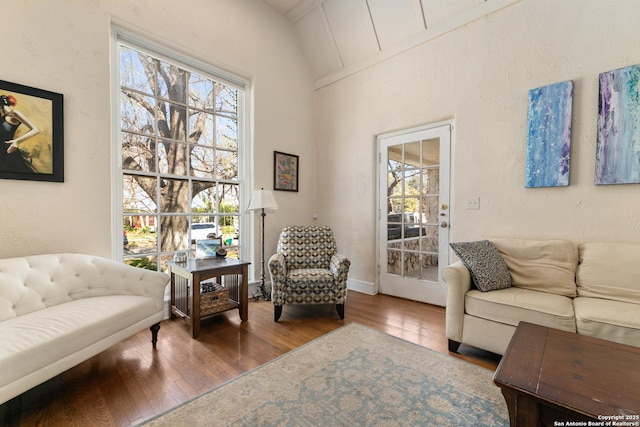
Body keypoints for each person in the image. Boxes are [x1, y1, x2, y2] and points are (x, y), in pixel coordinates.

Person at [0, 94, 40, 173]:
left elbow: (35, 129)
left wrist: (17, 141)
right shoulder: (2, 117)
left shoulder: (14, 113)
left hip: (10, 152)